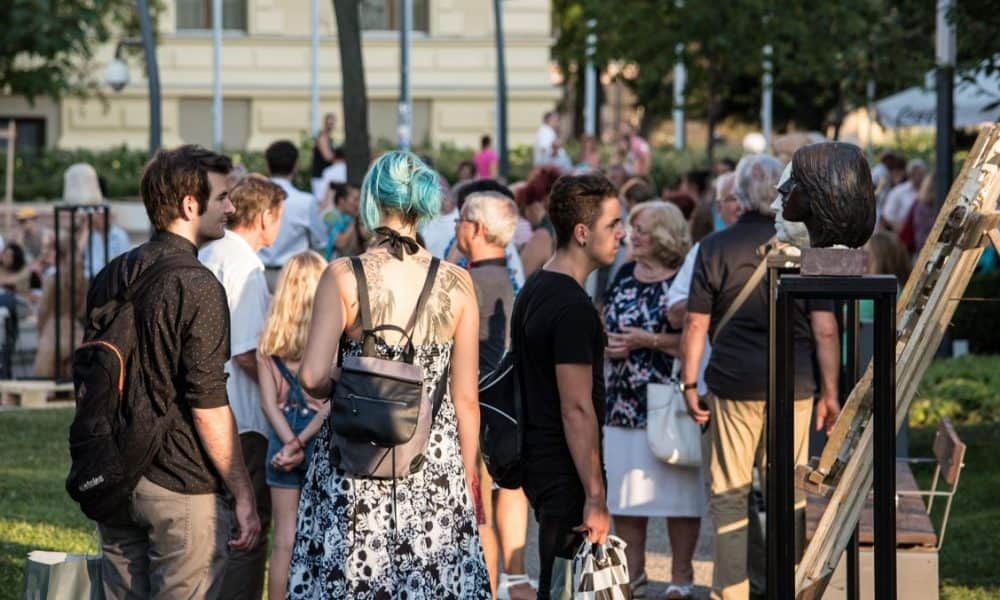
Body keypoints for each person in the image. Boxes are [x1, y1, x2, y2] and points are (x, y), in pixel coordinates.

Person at [289, 151, 491, 598]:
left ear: (372, 202)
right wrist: (469, 474)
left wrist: (346, 379)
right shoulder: (457, 283)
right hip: (432, 465)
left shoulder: (344, 275)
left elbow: (310, 377)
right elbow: (466, 400)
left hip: (354, 461)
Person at [93, 145, 259, 599]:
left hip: (114, 476)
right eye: (223, 196)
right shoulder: (199, 285)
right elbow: (208, 404)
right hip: (181, 486)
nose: (231, 207)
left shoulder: (112, 274)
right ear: (190, 205)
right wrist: (243, 494)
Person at [679, 155, 840, 600]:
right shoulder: (807, 247)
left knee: (730, 493)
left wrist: (689, 384)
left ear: (739, 196)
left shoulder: (713, 247)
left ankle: (731, 594)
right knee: (789, 492)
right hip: (796, 386)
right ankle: (787, 588)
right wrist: (831, 393)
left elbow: (695, 325)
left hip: (732, 385)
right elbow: (825, 328)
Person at [513, 173, 625, 599]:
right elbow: (575, 407)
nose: (622, 233)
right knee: (564, 588)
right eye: (613, 224)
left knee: (559, 583)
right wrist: (595, 495)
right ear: (582, 232)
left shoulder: (536, 288)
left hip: (542, 461)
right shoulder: (571, 307)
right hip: (565, 468)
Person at [602, 201, 701, 599]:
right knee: (625, 498)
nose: (630, 234)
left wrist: (650, 341)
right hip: (621, 402)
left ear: (663, 234)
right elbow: (606, 319)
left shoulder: (684, 281)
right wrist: (608, 344)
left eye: (640, 228)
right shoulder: (624, 274)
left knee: (680, 497)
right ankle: (634, 575)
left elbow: (698, 339)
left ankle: (680, 577)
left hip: (669, 401)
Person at [199, 175, 286, 600]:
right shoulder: (247, 266)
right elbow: (248, 351)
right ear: (266, 215)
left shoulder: (209, 252)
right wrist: (283, 391)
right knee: (249, 529)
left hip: (205, 403)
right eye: (279, 217)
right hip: (244, 415)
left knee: (217, 524)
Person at [454, 189, 536, 600]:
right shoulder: (512, 275)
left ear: (477, 228)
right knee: (510, 489)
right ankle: (517, 578)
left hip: (477, 402)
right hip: (511, 403)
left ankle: (484, 587)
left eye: (461, 220)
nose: (456, 228)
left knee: (477, 508)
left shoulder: (466, 281)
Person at [256, 250, 331, 600]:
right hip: (318, 435)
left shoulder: (268, 340)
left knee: (284, 539)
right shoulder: (329, 341)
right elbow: (330, 404)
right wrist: (303, 440)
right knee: (322, 533)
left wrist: (288, 442)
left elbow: (268, 402)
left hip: (282, 436)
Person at [259, 140, 327, 290]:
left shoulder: (254, 199)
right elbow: (320, 241)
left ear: (267, 165)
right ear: (295, 166)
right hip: (293, 276)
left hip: (258, 274)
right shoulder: (306, 201)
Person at [33, 237, 87, 379]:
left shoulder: (53, 278)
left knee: (46, 382)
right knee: (73, 382)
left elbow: (43, 310)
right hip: (75, 331)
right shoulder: (81, 278)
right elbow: (82, 309)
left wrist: (41, 331)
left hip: (52, 331)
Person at [516, 166, 562, 277]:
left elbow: (518, 280)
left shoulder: (543, 235)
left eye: (526, 206)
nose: (525, 217)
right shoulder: (563, 229)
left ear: (538, 204)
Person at [324, 182, 364, 259]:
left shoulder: (348, 217)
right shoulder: (331, 216)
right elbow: (340, 243)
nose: (358, 204)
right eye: (356, 199)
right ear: (342, 200)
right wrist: (356, 220)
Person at [311, 113, 337, 199]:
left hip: (325, 176)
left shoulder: (329, 138)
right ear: (324, 123)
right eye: (328, 124)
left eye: (332, 124)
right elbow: (327, 156)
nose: (330, 126)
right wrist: (340, 158)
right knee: (320, 200)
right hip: (320, 176)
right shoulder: (322, 137)